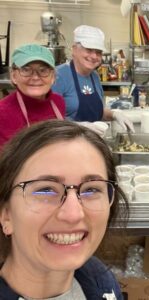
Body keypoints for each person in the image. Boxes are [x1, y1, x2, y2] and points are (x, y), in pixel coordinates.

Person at [0, 119, 129, 299]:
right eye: (45, 190)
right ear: (6, 214)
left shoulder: (100, 278)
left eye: (91, 189)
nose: (73, 214)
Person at [52, 25, 134, 134]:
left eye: (98, 52)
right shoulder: (58, 76)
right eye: (89, 50)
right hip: (66, 142)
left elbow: (97, 112)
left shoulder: (94, 76)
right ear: (74, 49)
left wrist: (114, 114)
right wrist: (78, 126)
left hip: (92, 141)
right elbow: (48, 121)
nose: (94, 56)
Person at [0, 44, 65, 148]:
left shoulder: (58, 102)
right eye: (26, 70)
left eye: (43, 70)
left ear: (52, 77)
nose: (35, 77)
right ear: (14, 76)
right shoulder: (2, 111)